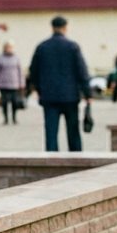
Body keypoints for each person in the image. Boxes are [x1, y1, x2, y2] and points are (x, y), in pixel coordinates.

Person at [28, 15, 92, 152]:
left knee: (51, 133)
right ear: (65, 28)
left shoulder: (42, 47)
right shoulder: (72, 46)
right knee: (73, 132)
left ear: (52, 28)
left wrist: (39, 90)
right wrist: (87, 93)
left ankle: (51, 160)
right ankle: (76, 160)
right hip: (70, 97)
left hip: (49, 97)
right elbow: (82, 71)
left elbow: (33, 71)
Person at [0, 41, 25, 125]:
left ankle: (14, 117)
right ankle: (6, 118)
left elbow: (20, 71)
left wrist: (22, 82)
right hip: (3, 84)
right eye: (7, 47)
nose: (9, 49)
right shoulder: (0, 58)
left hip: (14, 83)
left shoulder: (16, 58)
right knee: (4, 102)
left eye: (10, 47)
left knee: (14, 102)